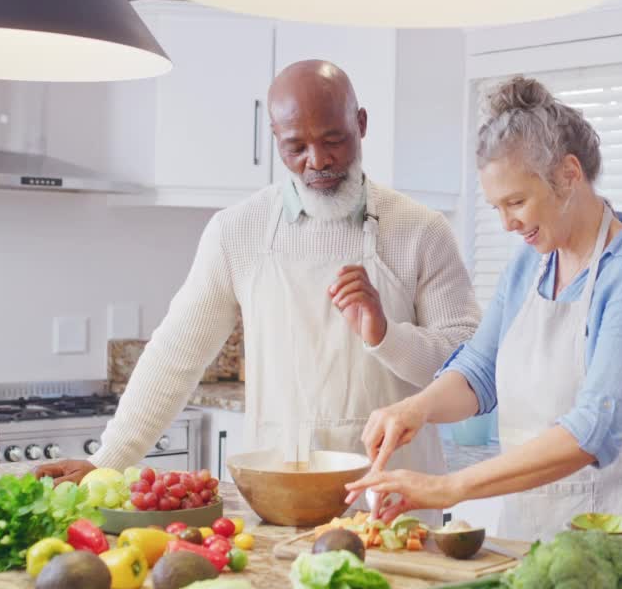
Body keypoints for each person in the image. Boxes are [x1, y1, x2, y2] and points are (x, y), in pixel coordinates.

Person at [37, 60, 479, 523]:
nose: (318, 161)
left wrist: (385, 334)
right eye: (296, 147)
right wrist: (107, 462)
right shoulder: (238, 232)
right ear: (274, 139)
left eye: (333, 140)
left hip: (394, 501)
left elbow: (466, 368)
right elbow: (175, 354)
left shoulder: (421, 230)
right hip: (279, 494)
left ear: (361, 124)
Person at [346, 76, 622, 562]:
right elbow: (479, 371)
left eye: (516, 202)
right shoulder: (532, 263)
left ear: (569, 174)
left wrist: (452, 488)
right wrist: (417, 409)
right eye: (497, 207)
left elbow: (592, 431)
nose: (507, 223)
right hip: (535, 544)